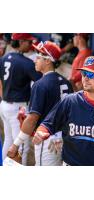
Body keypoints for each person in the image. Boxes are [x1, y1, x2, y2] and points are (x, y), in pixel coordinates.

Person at [32, 56, 94, 166]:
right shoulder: (70, 101)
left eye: (91, 75)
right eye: (83, 74)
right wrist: (41, 132)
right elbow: (47, 125)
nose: (85, 78)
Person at [7, 41, 73, 166]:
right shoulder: (66, 82)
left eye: (38, 57)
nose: (34, 60)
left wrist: (16, 144)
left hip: (46, 138)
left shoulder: (40, 84)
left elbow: (32, 119)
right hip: (65, 139)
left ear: (48, 61)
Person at [0, 33, 42, 165]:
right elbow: (42, 80)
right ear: (21, 41)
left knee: (8, 139)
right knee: (21, 145)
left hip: (4, 104)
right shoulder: (26, 62)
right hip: (18, 108)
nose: (30, 45)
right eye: (28, 42)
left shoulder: (4, 57)